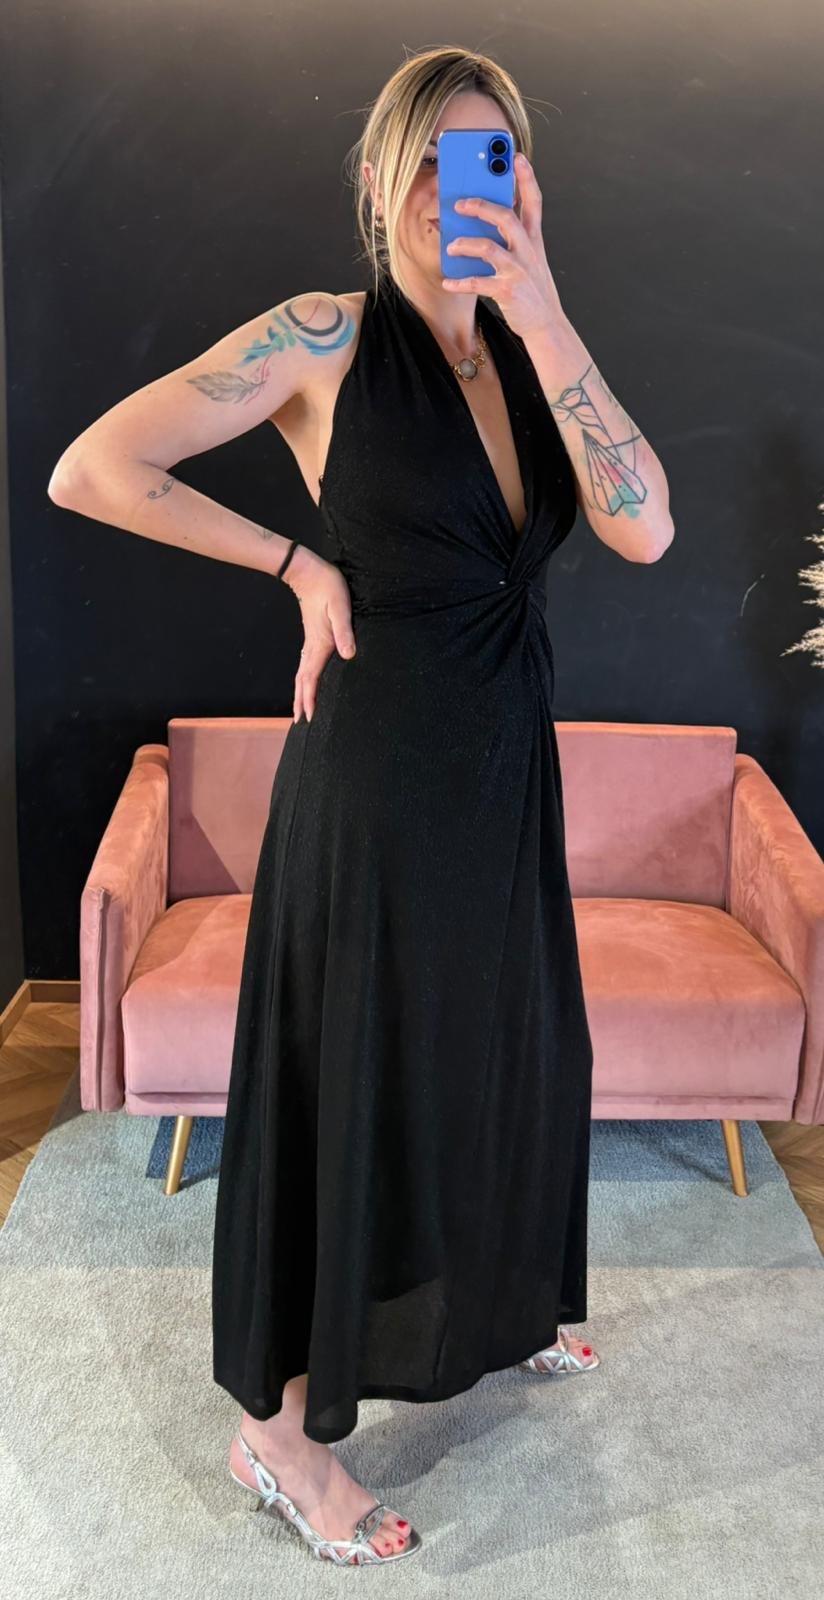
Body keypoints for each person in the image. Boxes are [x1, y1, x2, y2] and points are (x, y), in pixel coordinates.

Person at [48, 44, 674, 1570]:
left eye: (493, 161)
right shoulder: (323, 335)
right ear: (385, 179)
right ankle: (279, 1439)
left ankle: (504, 1305)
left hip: (502, 775)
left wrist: (541, 302)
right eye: (437, 161)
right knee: (359, 1091)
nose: (462, 192)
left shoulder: (530, 354)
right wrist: (293, 562)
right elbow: (94, 466)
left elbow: (646, 527)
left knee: (511, 1054)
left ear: (525, 188)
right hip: (379, 787)